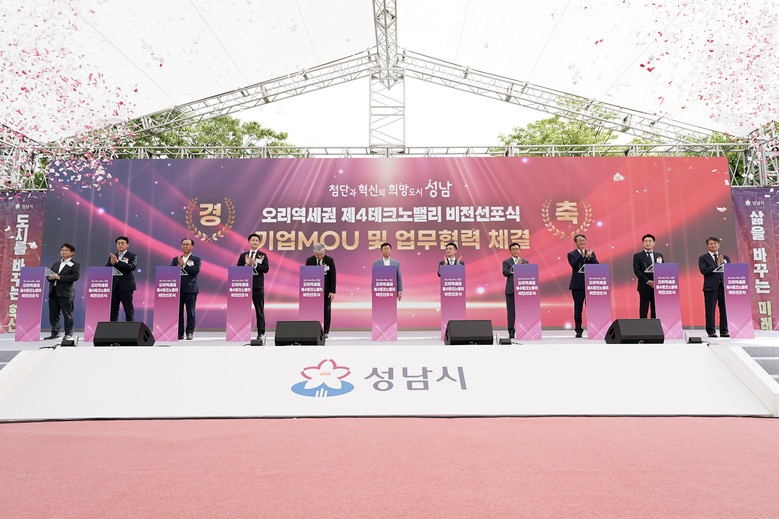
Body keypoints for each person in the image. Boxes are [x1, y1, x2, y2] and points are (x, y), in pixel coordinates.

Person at [44, 243, 81, 341]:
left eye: (66, 250)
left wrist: (59, 277)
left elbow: (75, 277)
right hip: (53, 291)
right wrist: (50, 277)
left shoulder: (75, 264)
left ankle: (68, 334)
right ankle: (55, 333)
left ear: (72, 253)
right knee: (54, 314)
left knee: (67, 314)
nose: (63, 252)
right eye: (62, 250)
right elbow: (49, 276)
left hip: (66, 293)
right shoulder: (56, 264)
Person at [237, 233, 270, 341]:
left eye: (257, 241)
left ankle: (261, 333)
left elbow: (266, 269)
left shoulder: (262, 255)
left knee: (259, 310)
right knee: (241, 310)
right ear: (249, 242)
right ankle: (240, 333)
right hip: (244, 286)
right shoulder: (243, 256)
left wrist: (255, 264)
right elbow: (238, 269)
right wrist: (246, 266)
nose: (255, 242)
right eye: (253, 240)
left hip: (257, 287)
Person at [568, 233, 599, 338]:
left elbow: (597, 266)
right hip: (577, 285)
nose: (582, 242)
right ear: (575, 242)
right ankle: (578, 330)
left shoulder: (590, 252)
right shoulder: (571, 254)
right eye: (580, 241)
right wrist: (581, 256)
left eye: (583, 240)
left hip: (590, 284)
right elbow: (574, 266)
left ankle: (593, 329)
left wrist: (591, 257)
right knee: (578, 309)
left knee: (591, 308)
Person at [698, 236, 730, 338]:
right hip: (710, 288)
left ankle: (724, 331)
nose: (713, 245)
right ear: (707, 246)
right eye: (711, 244)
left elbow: (730, 271)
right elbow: (703, 271)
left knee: (724, 310)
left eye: (715, 243)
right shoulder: (703, 258)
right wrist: (716, 265)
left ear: (719, 245)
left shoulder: (725, 257)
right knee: (710, 310)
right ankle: (711, 331)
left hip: (723, 287)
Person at [171, 238, 201, 340]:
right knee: (178, 313)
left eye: (187, 244)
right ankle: (180, 333)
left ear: (192, 246)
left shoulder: (196, 259)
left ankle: (189, 332)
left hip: (191, 289)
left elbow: (195, 271)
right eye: (183, 244)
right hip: (178, 289)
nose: (185, 246)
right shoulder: (175, 259)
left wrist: (184, 265)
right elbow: (171, 273)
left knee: (190, 312)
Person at [305, 242, 336, 338]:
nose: (319, 257)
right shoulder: (309, 261)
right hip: (314, 290)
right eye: (317, 255)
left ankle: (325, 331)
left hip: (326, 291)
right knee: (313, 310)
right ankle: (313, 330)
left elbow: (333, 276)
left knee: (326, 310)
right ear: (314, 253)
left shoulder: (329, 260)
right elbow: (306, 275)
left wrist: (332, 291)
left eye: (321, 254)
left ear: (324, 252)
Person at [633, 234, 664, 318]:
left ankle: (654, 325)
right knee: (644, 308)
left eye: (650, 241)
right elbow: (637, 271)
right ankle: (643, 325)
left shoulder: (659, 255)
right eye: (646, 241)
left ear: (654, 243)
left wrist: (657, 282)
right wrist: (648, 282)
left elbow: (662, 270)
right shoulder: (637, 256)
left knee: (655, 309)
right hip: (644, 286)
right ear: (642, 243)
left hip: (656, 286)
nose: (648, 243)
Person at [107, 235, 138, 321]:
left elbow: (132, 267)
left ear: (127, 245)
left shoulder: (132, 255)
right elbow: (107, 269)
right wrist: (111, 263)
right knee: (113, 311)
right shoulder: (113, 256)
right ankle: (112, 328)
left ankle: (130, 328)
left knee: (128, 310)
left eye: (122, 243)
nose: (120, 245)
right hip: (114, 287)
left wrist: (118, 262)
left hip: (126, 287)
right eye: (118, 243)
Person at [502, 242, 529, 339]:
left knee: (524, 311)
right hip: (511, 290)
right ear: (510, 251)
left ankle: (524, 331)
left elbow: (528, 273)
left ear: (520, 250)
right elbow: (505, 273)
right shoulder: (506, 262)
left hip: (523, 289)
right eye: (513, 249)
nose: (516, 251)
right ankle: (511, 332)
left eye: (517, 249)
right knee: (511, 312)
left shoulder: (525, 261)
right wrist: (515, 267)